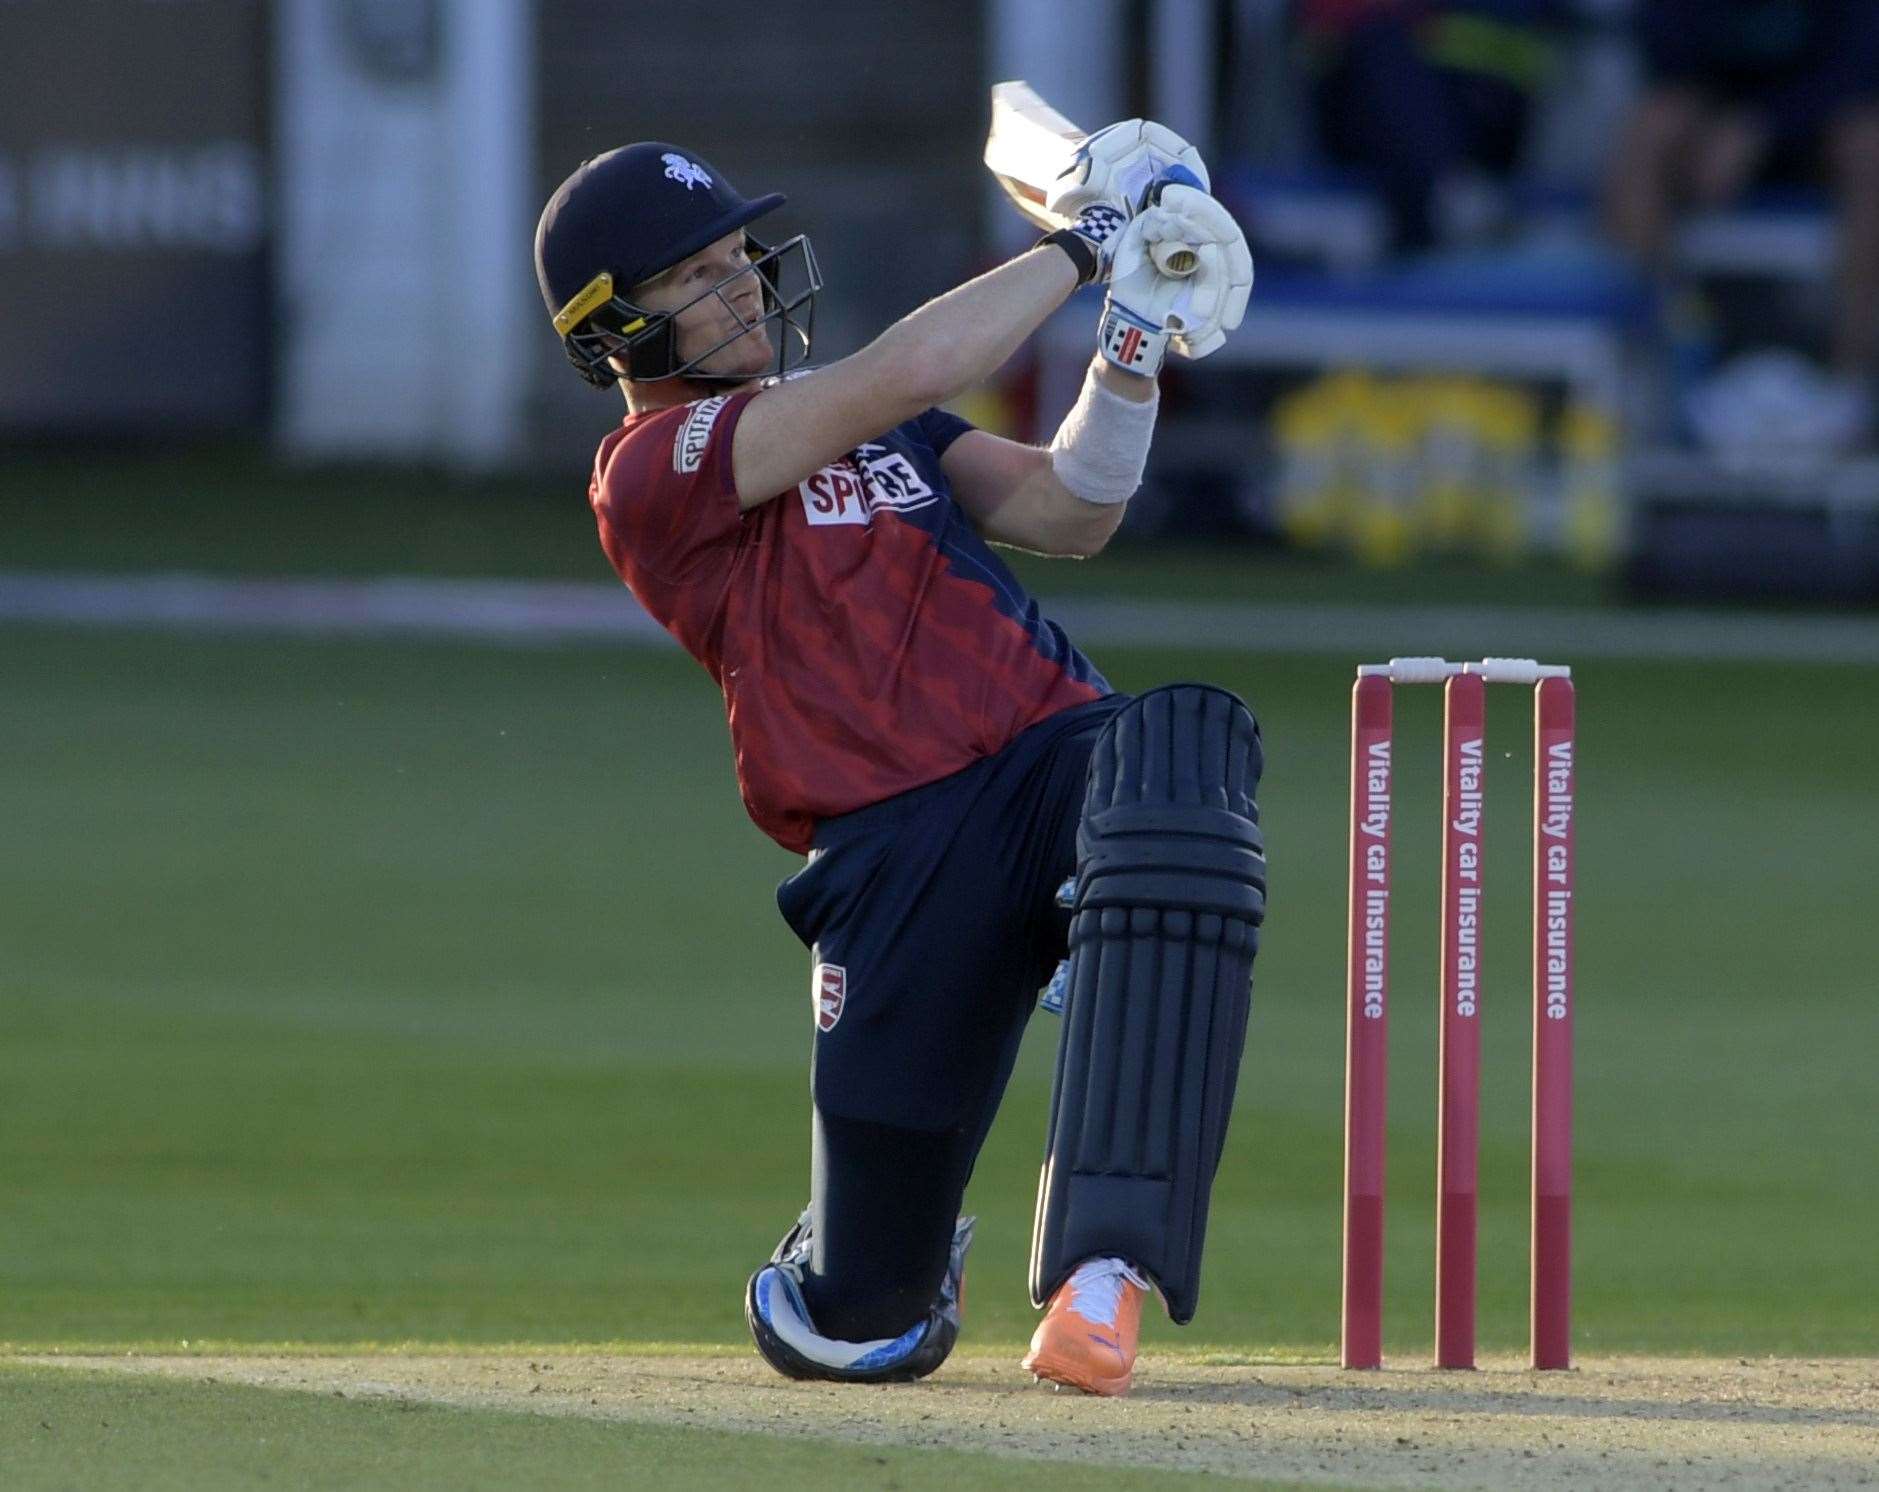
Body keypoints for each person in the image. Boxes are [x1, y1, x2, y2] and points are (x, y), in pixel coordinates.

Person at [532, 136, 1262, 1396]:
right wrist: (1088, 243)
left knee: (1179, 752)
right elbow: (904, 366)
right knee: (862, 1325)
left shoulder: (890, 426)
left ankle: (1102, 1271)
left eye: (736, 259)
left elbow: (1072, 509)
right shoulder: (653, 471)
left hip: (1048, 756)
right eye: (695, 277)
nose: (742, 286)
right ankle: (856, 1266)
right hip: (890, 853)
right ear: (614, 334)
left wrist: (1131, 339)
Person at [1605, 0, 1879, 393]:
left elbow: (1862, 68)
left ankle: (1853, 380)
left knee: (1872, 147)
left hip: (1818, 131)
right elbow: (1664, 55)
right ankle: (1657, 364)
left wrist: (1766, 122)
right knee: (1653, 129)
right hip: (1712, 130)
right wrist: (1717, 117)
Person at [1298, 0, 1572, 253]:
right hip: (1368, 113)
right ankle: (1442, 195)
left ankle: (1447, 196)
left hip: (1489, 113)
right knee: (1386, 51)